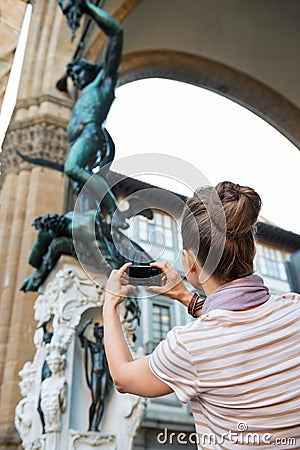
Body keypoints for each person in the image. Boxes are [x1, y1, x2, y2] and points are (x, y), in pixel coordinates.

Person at [102, 181, 300, 449]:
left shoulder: (189, 347)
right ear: (252, 252)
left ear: (189, 262)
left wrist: (110, 303)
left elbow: (123, 378)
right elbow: (241, 319)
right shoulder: (294, 307)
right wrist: (188, 298)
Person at [57, 0, 126, 229]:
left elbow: (116, 33)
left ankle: (115, 211)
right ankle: (94, 220)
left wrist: (87, 7)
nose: (76, 78)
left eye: (79, 72)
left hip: (90, 134)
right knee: (81, 188)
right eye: (73, 75)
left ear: (90, 69)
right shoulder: (85, 91)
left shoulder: (103, 81)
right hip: (81, 138)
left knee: (71, 168)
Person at [77, 319, 112, 431]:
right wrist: (86, 324)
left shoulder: (106, 347)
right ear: (96, 333)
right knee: (94, 401)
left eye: (102, 332)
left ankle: (96, 426)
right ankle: (90, 425)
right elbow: (80, 335)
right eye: (99, 332)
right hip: (95, 373)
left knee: (101, 400)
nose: (101, 334)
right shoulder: (92, 345)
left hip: (104, 374)